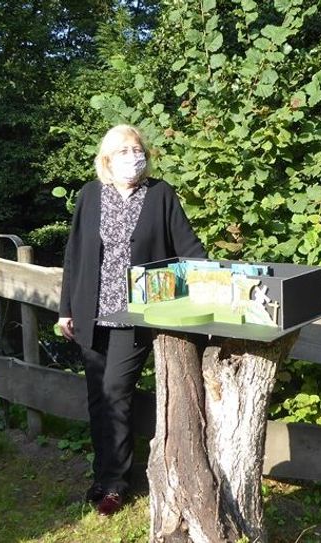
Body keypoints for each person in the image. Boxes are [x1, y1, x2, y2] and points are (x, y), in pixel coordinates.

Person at [58, 124, 206, 516]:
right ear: (106, 158)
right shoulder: (91, 196)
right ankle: (103, 474)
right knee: (97, 400)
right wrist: (65, 309)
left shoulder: (161, 195)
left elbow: (190, 250)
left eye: (137, 149)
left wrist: (211, 287)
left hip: (136, 315)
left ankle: (116, 484)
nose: (132, 157)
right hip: (92, 312)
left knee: (116, 393)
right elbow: (74, 255)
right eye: (123, 150)